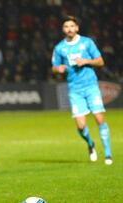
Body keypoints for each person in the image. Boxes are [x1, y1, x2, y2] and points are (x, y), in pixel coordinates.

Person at [51, 16, 112, 165]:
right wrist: (58, 69)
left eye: (72, 26)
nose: (69, 29)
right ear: (63, 29)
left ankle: (108, 154)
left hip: (91, 86)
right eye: (66, 26)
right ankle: (91, 144)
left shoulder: (87, 42)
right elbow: (54, 67)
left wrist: (86, 61)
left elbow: (100, 61)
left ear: (77, 28)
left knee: (99, 118)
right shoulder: (60, 48)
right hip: (74, 89)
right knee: (80, 126)